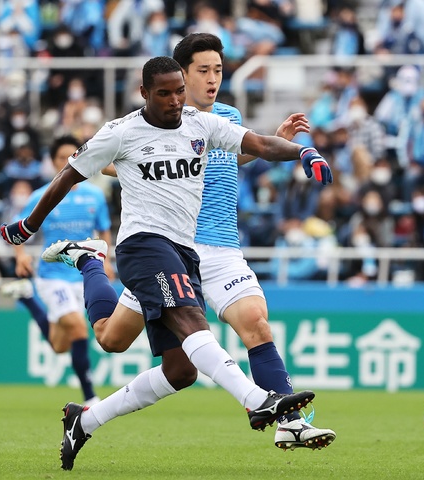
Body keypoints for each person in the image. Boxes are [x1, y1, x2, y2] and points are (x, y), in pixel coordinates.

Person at [0, 55, 331, 470]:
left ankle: (84, 417)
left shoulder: (201, 123)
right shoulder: (121, 132)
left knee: (174, 368)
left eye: (178, 92)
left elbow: (261, 145)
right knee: (191, 319)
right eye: (164, 93)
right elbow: (69, 174)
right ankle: (257, 400)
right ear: (144, 93)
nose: (174, 101)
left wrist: (303, 151)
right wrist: (27, 226)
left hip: (183, 252)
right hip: (143, 246)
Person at [100, 33, 336, 451]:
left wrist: (271, 143)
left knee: (256, 321)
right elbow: (107, 162)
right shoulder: (150, 124)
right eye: (204, 71)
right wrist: (152, 168)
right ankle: (88, 264)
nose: (213, 79)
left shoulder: (227, 115)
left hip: (222, 246)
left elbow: (231, 155)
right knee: (112, 340)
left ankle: (290, 422)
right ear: (181, 75)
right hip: (168, 251)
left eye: (219, 71)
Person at [1, 135, 112, 407]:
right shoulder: (42, 196)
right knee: (78, 328)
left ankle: (27, 298)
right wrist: (20, 256)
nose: (67, 161)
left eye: (72, 155)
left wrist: (107, 261)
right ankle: (90, 397)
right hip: (52, 276)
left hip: (83, 275)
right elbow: (18, 228)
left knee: (59, 345)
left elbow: (104, 229)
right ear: (52, 163)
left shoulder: (95, 195)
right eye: (61, 157)